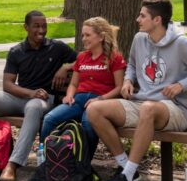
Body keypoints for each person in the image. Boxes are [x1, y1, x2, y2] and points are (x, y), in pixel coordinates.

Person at [87, 0, 187, 181]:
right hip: (142, 103)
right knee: (94, 110)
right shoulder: (140, 39)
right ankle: (127, 169)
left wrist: (181, 85)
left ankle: (126, 178)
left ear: (157, 20)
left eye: (142, 16)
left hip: (174, 109)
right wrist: (128, 81)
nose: (137, 19)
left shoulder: (182, 44)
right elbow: (131, 64)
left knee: (149, 108)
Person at [0, 10, 77, 181]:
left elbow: (84, 60)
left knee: (34, 106)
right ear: (26, 27)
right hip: (20, 97)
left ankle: (13, 164)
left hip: (43, 100)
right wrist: (30, 93)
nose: (41, 30)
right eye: (36, 26)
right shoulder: (16, 51)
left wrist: (65, 68)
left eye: (44, 26)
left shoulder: (56, 47)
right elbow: (8, 84)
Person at [38, 17, 126, 157]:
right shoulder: (82, 57)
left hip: (99, 103)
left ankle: (83, 164)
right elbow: (73, 83)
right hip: (78, 100)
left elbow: (119, 87)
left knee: (88, 123)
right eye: (83, 35)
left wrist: (101, 99)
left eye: (88, 35)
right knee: (49, 118)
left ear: (101, 37)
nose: (84, 39)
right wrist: (69, 95)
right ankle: (44, 159)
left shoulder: (114, 58)